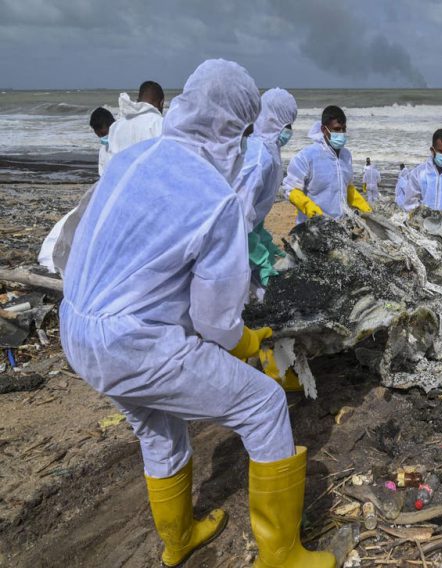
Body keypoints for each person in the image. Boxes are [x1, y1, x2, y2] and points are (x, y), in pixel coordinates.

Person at [59, 59, 334, 568]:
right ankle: (282, 554)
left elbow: (88, 242)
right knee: (264, 404)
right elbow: (214, 322)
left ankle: (178, 538)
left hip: (76, 328)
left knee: (158, 428)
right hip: (135, 345)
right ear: (236, 127)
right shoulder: (215, 199)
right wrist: (249, 344)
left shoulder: (133, 157)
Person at [37, 107, 116, 273]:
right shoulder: (105, 147)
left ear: (109, 125)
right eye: (98, 134)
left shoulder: (122, 140)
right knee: (69, 225)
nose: (101, 137)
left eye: (102, 132)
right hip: (104, 194)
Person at [236, 87, 297, 289]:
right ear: (273, 120)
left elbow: (255, 215)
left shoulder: (268, 151)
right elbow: (238, 218)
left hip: (244, 242)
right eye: (287, 125)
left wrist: (266, 243)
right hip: (233, 246)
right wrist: (261, 259)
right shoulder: (258, 158)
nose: (290, 131)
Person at [282, 105, 370, 224]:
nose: (342, 133)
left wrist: (363, 205)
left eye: (344, 129)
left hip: (341, 226)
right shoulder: (307, 156)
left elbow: (347, 187)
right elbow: (290, 189)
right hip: (313, 227)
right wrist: (310, 209)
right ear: (324, 130)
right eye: (337, 129)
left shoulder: (346, 155)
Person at [104, 80, 165, 168]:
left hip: (119, 180)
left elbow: (108, 162)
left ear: (137, 101)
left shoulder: (116, 126)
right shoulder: (160, 124)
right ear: (161, 103)